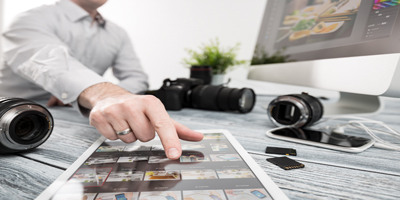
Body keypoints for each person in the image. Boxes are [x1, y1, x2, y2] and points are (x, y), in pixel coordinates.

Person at [0, 0, 203, 159]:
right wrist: (100, 93)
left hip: (81, 123)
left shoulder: (117, 33)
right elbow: (47, 58)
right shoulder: (30, 19)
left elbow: (136, 77)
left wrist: (106, 98)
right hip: (14, 128)